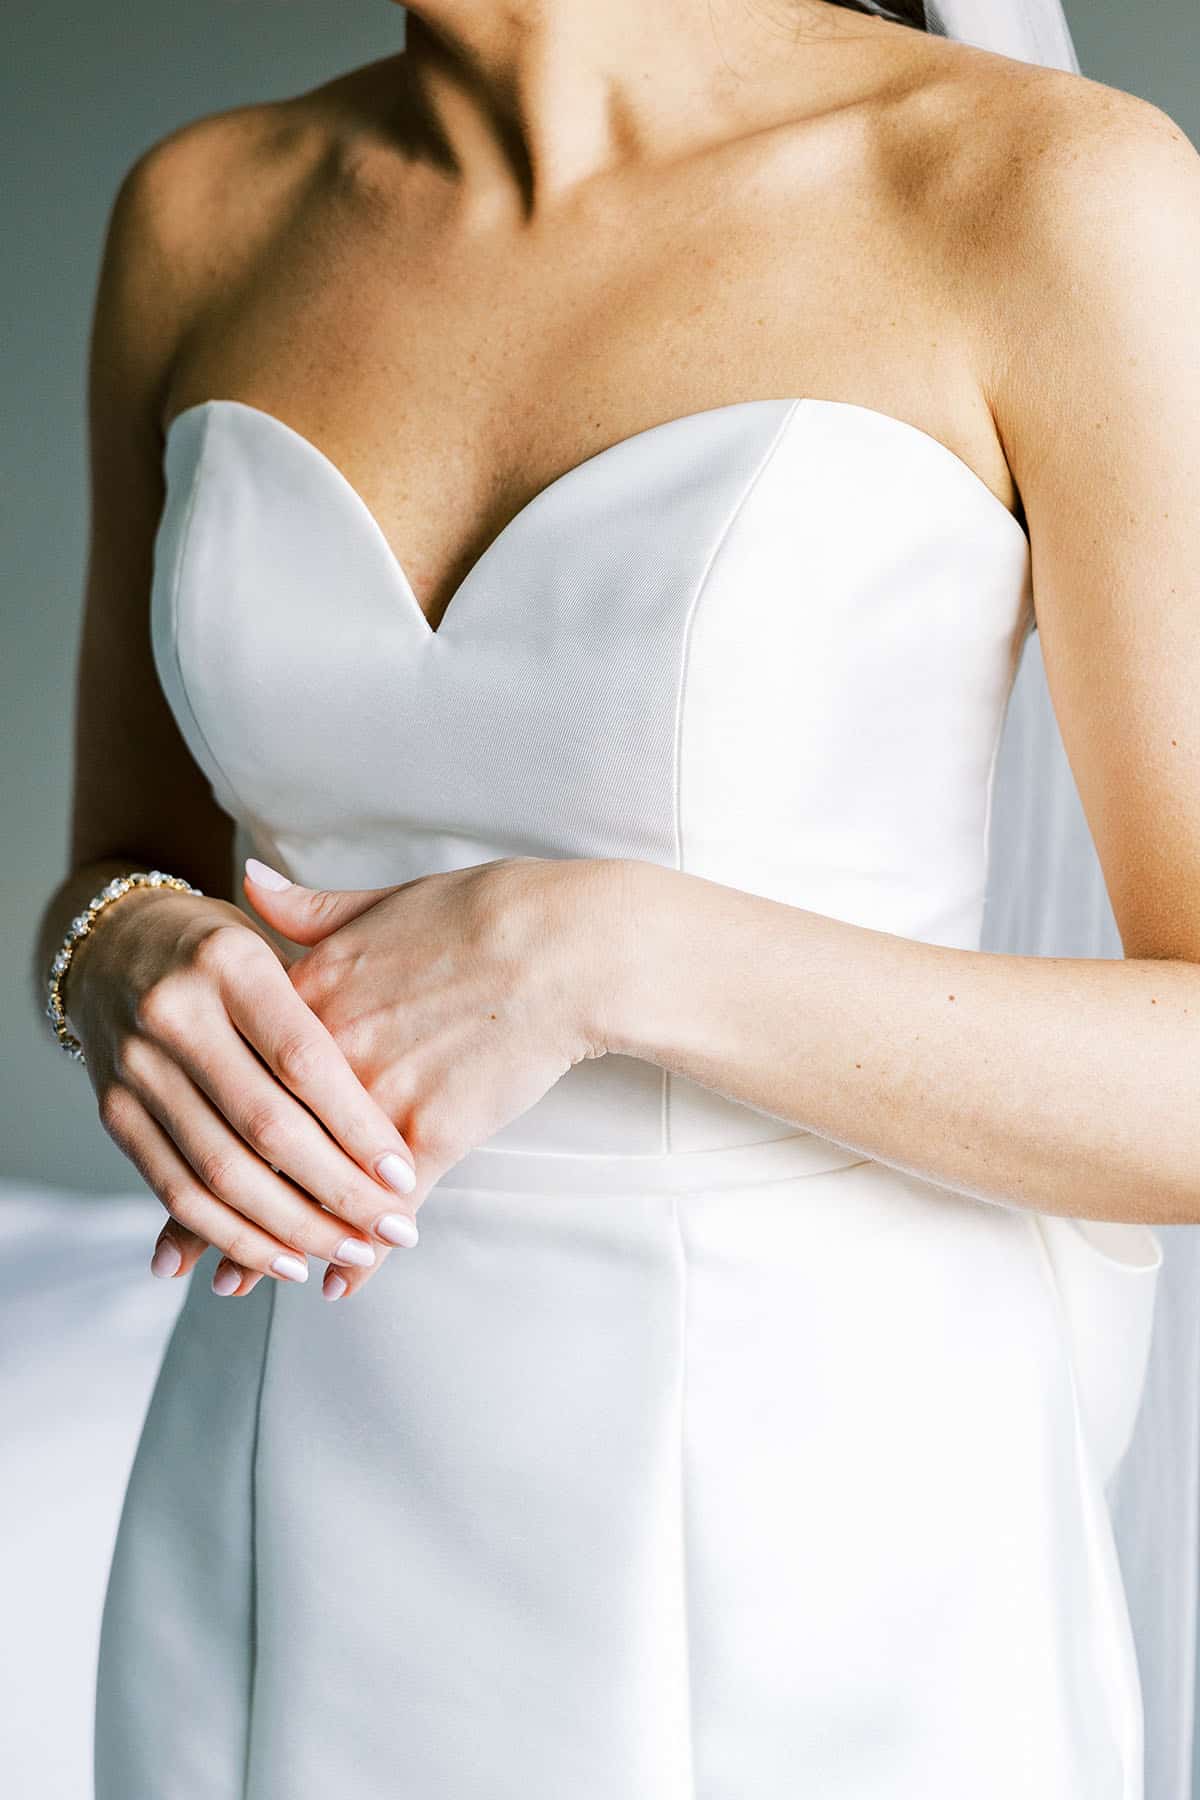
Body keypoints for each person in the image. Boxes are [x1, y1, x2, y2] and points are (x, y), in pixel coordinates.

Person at [32, 0, 1200, 1791]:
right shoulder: (199, 215)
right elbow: (119, 866)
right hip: (271, 1488)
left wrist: (606, 949)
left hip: (828, 1543)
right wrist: (121, 955)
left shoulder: (1042, 191)